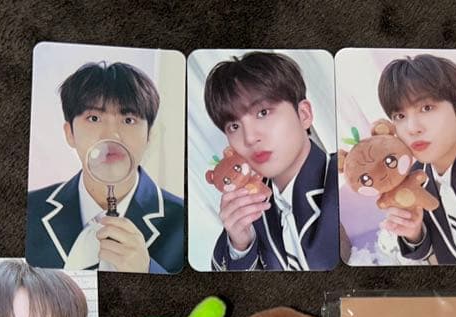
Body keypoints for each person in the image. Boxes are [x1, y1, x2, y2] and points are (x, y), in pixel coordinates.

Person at [26, 61, 185, 273]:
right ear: (69, 133)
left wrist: (148, 270)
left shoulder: (184, 222)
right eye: (94, 118)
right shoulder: (28, 210)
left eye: (128, 120)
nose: (112, 134)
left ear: (149, 136)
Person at [205, 51, 339, 271]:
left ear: (304, 114)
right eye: (234, 126)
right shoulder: (248, 208)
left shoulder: (343, 177)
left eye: (263, 112)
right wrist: (240, 245)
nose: (250, 137)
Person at [378, 54, 456, 265]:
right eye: (400, 116)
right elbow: (429, 250)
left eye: (426, 108)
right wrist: (414, 233)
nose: (412, 128)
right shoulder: (414, 180)